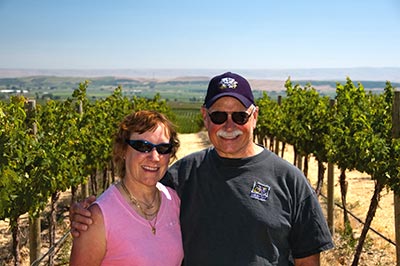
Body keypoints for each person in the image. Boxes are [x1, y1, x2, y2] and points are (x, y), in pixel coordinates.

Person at [70, 72, 334, 265]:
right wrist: (90, 215)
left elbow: (307, 260)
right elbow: (135, 200)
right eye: (219, 116)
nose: (229, 126)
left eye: (239, 116)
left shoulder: (289, 180)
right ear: (205, 117)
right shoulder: (182, 176)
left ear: (254, 116)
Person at [69, 110, 184, 265]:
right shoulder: (97, 219)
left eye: (163, 148)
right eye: (143, 146)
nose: (154, 157)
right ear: (123, 150)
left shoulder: (174, 201)